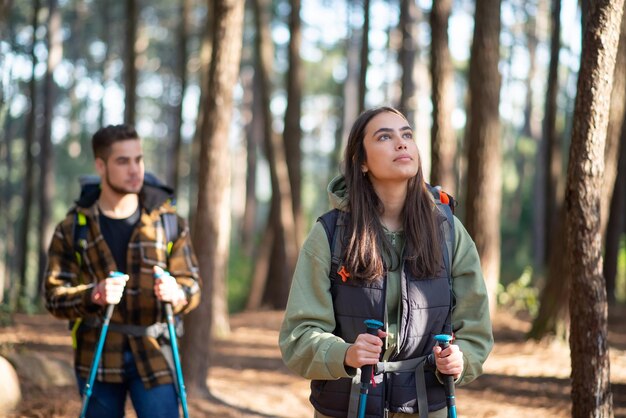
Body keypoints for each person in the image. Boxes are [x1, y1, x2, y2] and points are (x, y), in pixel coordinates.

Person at [279, 106, 493, 418]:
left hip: (426, 406)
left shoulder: (447, 231)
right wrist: (346, 353)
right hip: (347, 406)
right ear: (362, 162)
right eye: (384, 137)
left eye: (407, 135)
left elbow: (475, 329)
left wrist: (462, 361)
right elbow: (299, 335)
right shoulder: (329, 233)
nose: (402, 143)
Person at [44, 124, 201, 418]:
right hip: (98, 355)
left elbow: (192, 285)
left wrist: (177, 292)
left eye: (138, 159)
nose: (135, 169)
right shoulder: (73, 228)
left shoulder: (168, 222)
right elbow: (53, 296)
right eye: (123, 161)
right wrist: (93, 294)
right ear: (100, 165)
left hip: (155, 353)